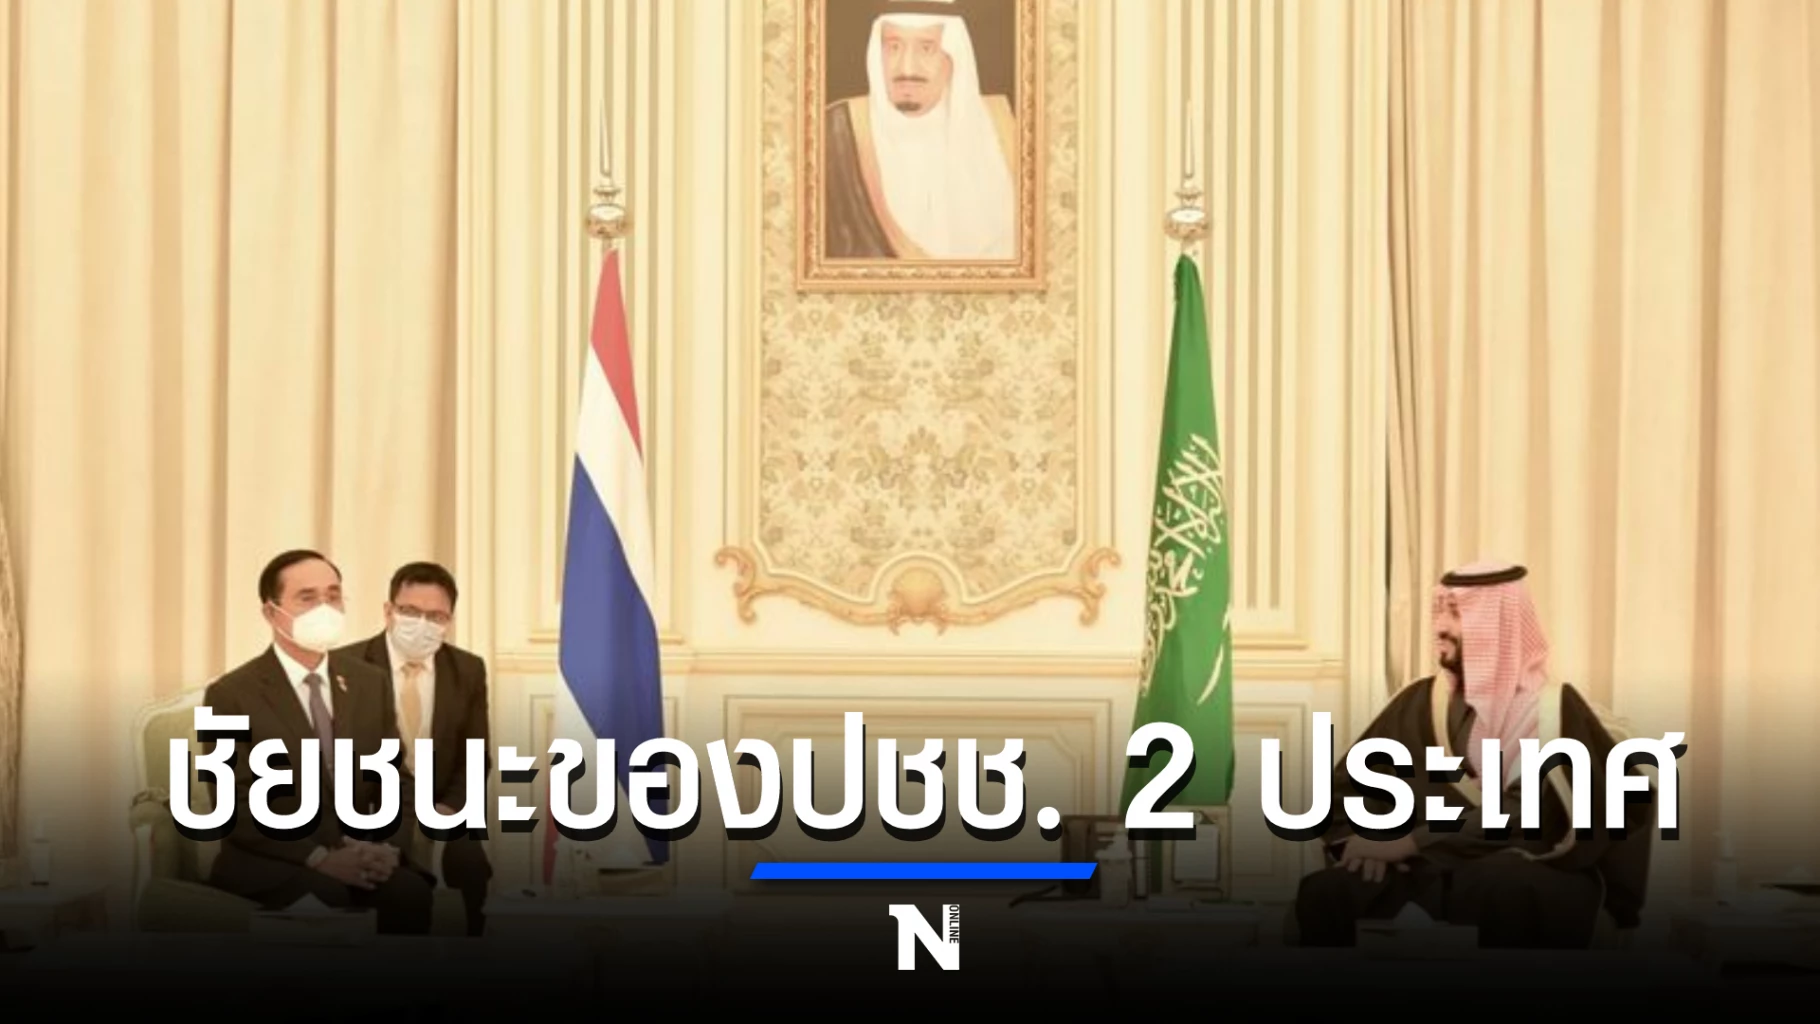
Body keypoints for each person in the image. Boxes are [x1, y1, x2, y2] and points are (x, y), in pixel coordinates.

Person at [1293, 562, 1654, 948]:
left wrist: (1411, 843)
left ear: (1498, 625)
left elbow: (1532, 814)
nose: (1439, 627)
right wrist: (1369, 841)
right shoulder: (1418, 702)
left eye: (1456, 613)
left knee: (1501, 884)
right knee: (1333, 891)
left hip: (1524, 865)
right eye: (1439, 612)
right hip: (1426, 869)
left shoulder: (1554, 711)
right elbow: (1349, 788)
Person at [202, 549, 433, 934]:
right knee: (328, 896)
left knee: (408, 893)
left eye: (333, 595)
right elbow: (234, 807)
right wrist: (319, 857)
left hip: (359, 852)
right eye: (307, 598)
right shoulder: (232, 694)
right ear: (271, 612)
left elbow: (396, 780)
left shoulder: (368, 682)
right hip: (277, 863)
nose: (324, 608)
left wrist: (386, 848)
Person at [336, 561, 493, 936]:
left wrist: (447, 809)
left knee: (471, 863)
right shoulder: (345, 666)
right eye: (410, 611)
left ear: (449, 621)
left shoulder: (467, 670)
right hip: (370, 806)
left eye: (436, 616)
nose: (422, 623)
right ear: (388, 611)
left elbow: (475, 755)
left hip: (439, 804)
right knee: (403, 882)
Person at [822, 0, 1018, 260]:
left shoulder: (1009, 129)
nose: (907, 69)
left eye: (927, 48)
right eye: (893, 47)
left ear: (954, 55)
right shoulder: (835, 133)